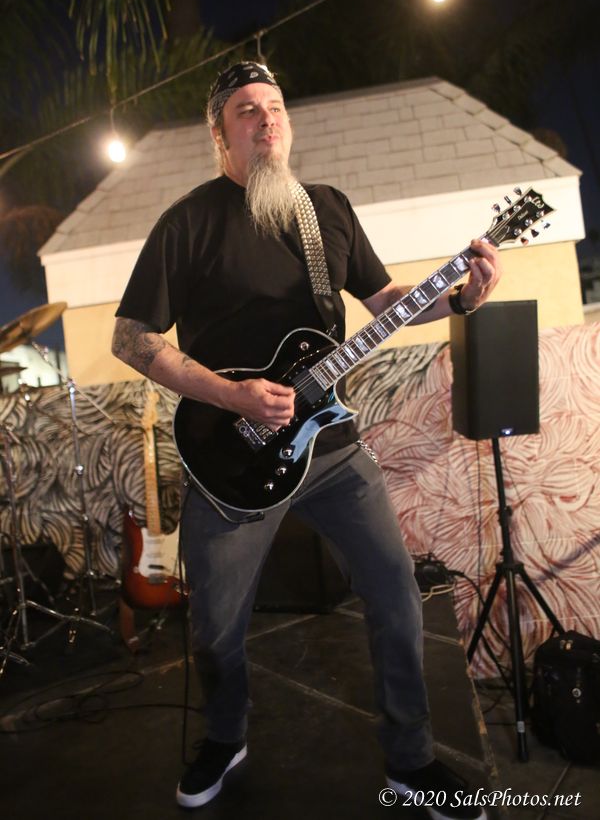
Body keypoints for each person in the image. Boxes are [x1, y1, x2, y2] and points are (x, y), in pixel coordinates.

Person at [112, 61, 501, 818]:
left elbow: (386, 301)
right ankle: (226, 736)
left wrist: (460, 299)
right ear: (219, 133)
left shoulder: (325, 209)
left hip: (332, 448)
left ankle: (411, 761)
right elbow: (131, 338)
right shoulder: (187, 224)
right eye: (247, 110)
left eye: (276, 107)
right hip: (230, 455)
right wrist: (231, 394)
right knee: (215, 629)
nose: (267, 120)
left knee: (396, 595)